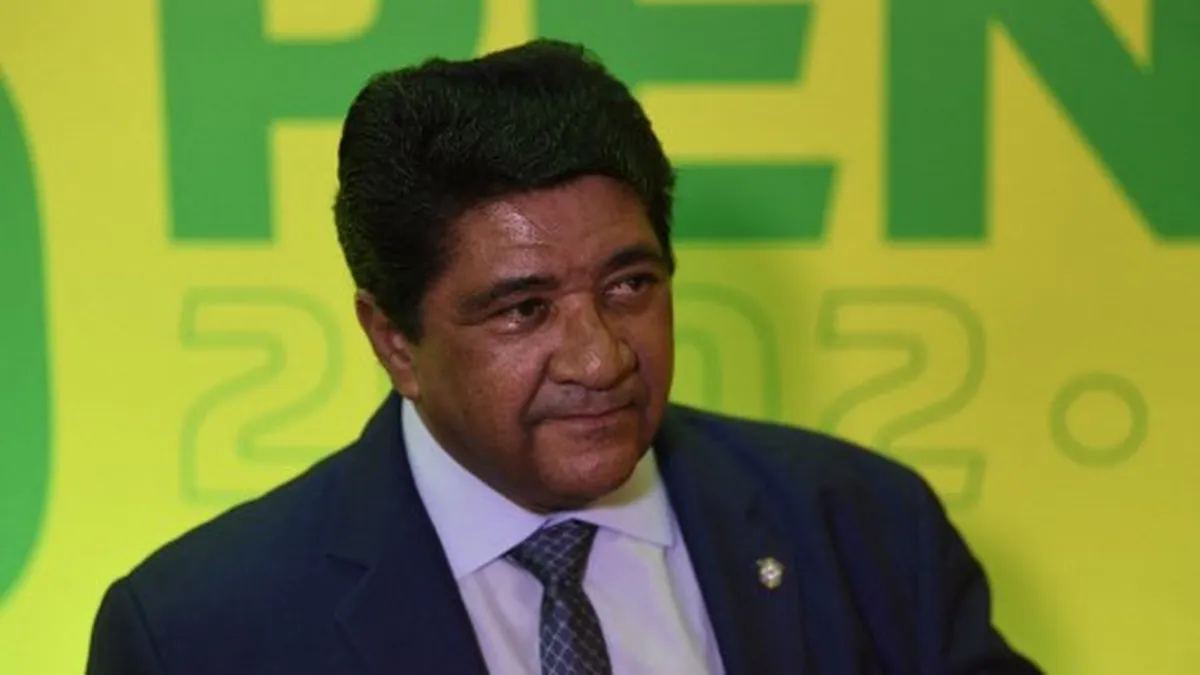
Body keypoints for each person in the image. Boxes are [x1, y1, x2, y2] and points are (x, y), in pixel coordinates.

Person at [86, 39, 1042, 674]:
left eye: (630, 285)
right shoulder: (201, 632)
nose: (600, 357)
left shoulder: (863, 529)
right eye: (525, 309)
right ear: (394, 341)